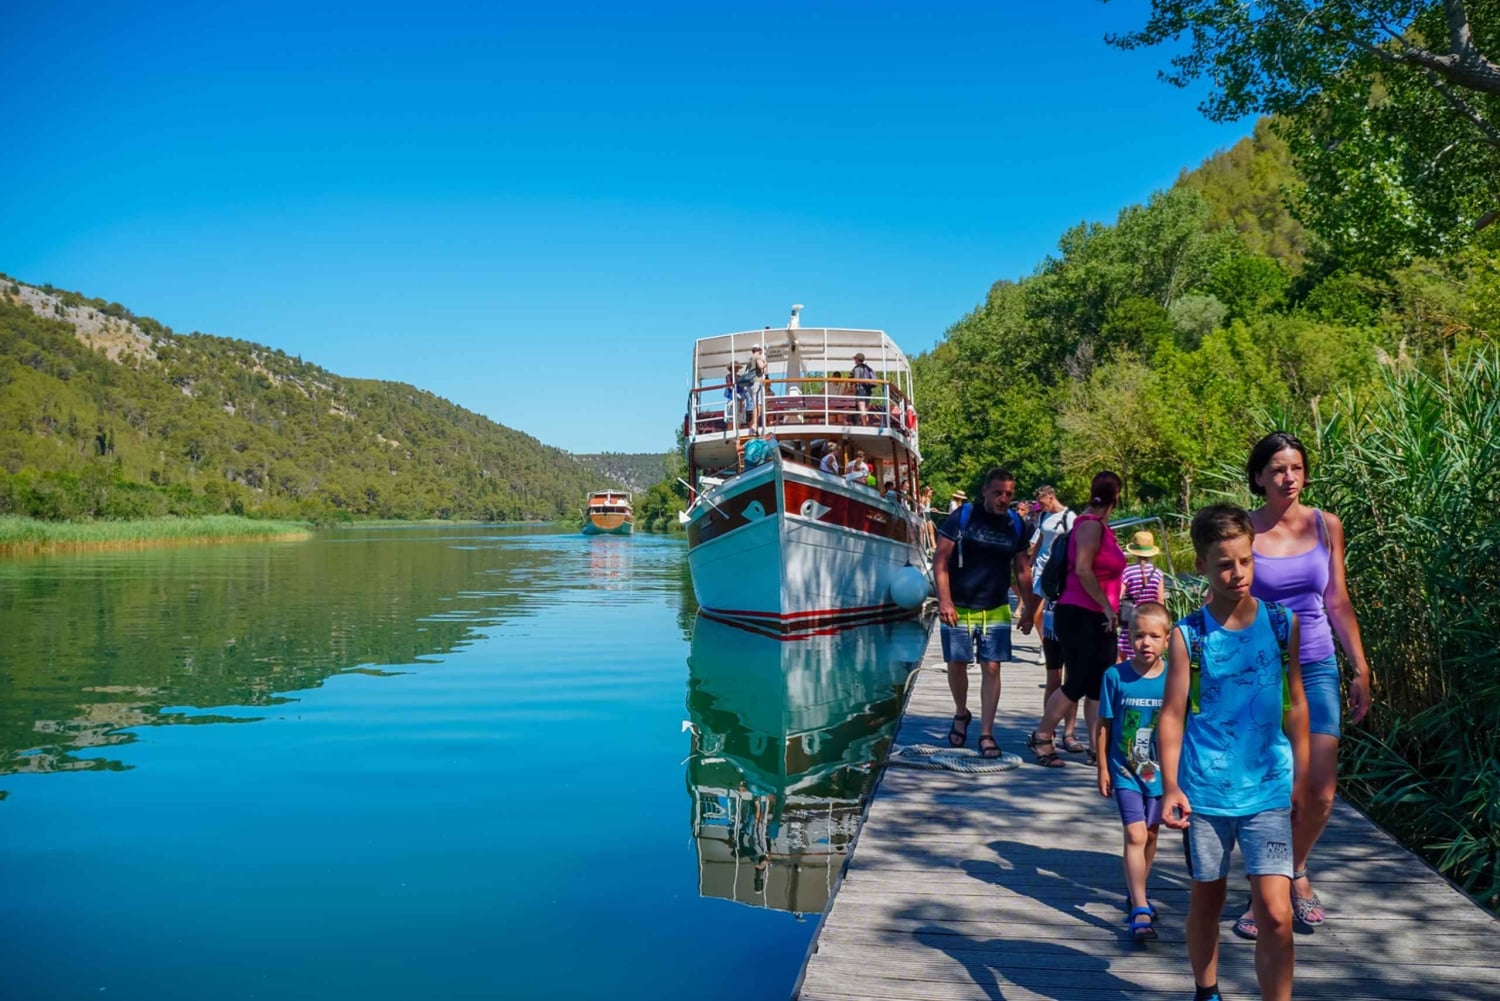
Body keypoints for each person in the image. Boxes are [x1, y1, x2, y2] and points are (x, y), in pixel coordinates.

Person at [1159, 504, 1310, 1001]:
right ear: (1201, 565)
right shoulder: (1189, 636)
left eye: (1245, 560)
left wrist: (1302, 779)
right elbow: (1174, 715)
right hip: (1206, 797)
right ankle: (1207, 991)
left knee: (1276, 912)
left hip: (1268, 790)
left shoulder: (1280, 622)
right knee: (1208, 899)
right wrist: (1172, 786)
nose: (1238, 573)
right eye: (1224, 564)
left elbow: (1297, 705)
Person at [1229, 431, 1374, 939]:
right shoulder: (1244, 530)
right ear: (1258, 477)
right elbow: (1227, 599)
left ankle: (1294, 868)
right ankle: (1263, 890)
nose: (1287, 477)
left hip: (1316, 666)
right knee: (1276, 789)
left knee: (1322, 793)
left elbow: (1337, 600)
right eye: (1276, 469)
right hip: (1261, 672)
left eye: (1295, 468)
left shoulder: (1326, 525)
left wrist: (1359, 666)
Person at [933, 468, 1037, 759]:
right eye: (998, 493)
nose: (1003, 499)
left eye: (1009, 494)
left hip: (995, 606)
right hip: (960, 604)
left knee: (992, 667)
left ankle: (987, 732)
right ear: (985, 491)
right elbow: (940, 559)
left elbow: (1022, 569)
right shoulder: (963, 517)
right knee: (957, 663)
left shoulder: (1015, 523)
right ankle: (961, 712)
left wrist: (1029, 608)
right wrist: (945, 600)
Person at [1028, 472, 1125, 767]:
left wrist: (1111, 610)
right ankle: (1042, 735)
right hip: (1080, 612)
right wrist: (1108, 608)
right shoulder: (1090, 526)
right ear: (1116, 498)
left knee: (1099, 684)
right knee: (1078, 681)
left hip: (1100, 617)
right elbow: (1083, 570)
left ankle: (1098, 747)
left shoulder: (1100, 527)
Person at [1097, 601, 1171, 941]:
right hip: (1124, 769)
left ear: (1167, 640)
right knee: (1136, 835)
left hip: (1160, 773)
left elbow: (1183, 725)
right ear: (1128, 637)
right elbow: (1104, 725)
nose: (1146, 643)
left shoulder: (1174, 678)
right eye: (1139, 635)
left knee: (1152, 834)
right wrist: (1102, 767)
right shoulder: (1116, 676)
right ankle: (1140, 905)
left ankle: (1136, 887)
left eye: (1155, 636)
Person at [1118, 531, 1167, 659]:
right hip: (1151, 617)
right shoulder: (1157, 573)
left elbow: (1119, 595)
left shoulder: (1127, 572)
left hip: (1131, 617)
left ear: (1134, 552)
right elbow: (1160, 600)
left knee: (1124, 651)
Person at [850, 352, 877, 426]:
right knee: (865, 408)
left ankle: (864, 424)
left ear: (857, 359)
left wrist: (853, 389)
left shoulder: (857, 368)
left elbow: (856, 380)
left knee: (862, 408)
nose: (854, 360)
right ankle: (866, 423)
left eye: (855, 359)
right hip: (868, 390)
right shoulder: (867, 368)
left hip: (861, 390)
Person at [746, 345, 769, 430]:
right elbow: (761, 366)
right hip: (756, 382)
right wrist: (765, 363)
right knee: (757, 404)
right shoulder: (757, 357)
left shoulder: (750, 359)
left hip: (750, 384)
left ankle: (753, 423)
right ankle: (754, 424)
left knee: (755, 404)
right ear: (759, 350)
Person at [919, 486, 937, 550]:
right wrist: (922, 506)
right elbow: (921, 505)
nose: (931, 494)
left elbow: (927, 508)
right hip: (923, 515)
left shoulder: (928, 499)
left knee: (931, 531)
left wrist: (931, 509)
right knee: (923, 531)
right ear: (927, 492)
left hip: (928, 514)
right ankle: (921, 545)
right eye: (930, 492)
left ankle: (934, 546)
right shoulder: (923, 498)